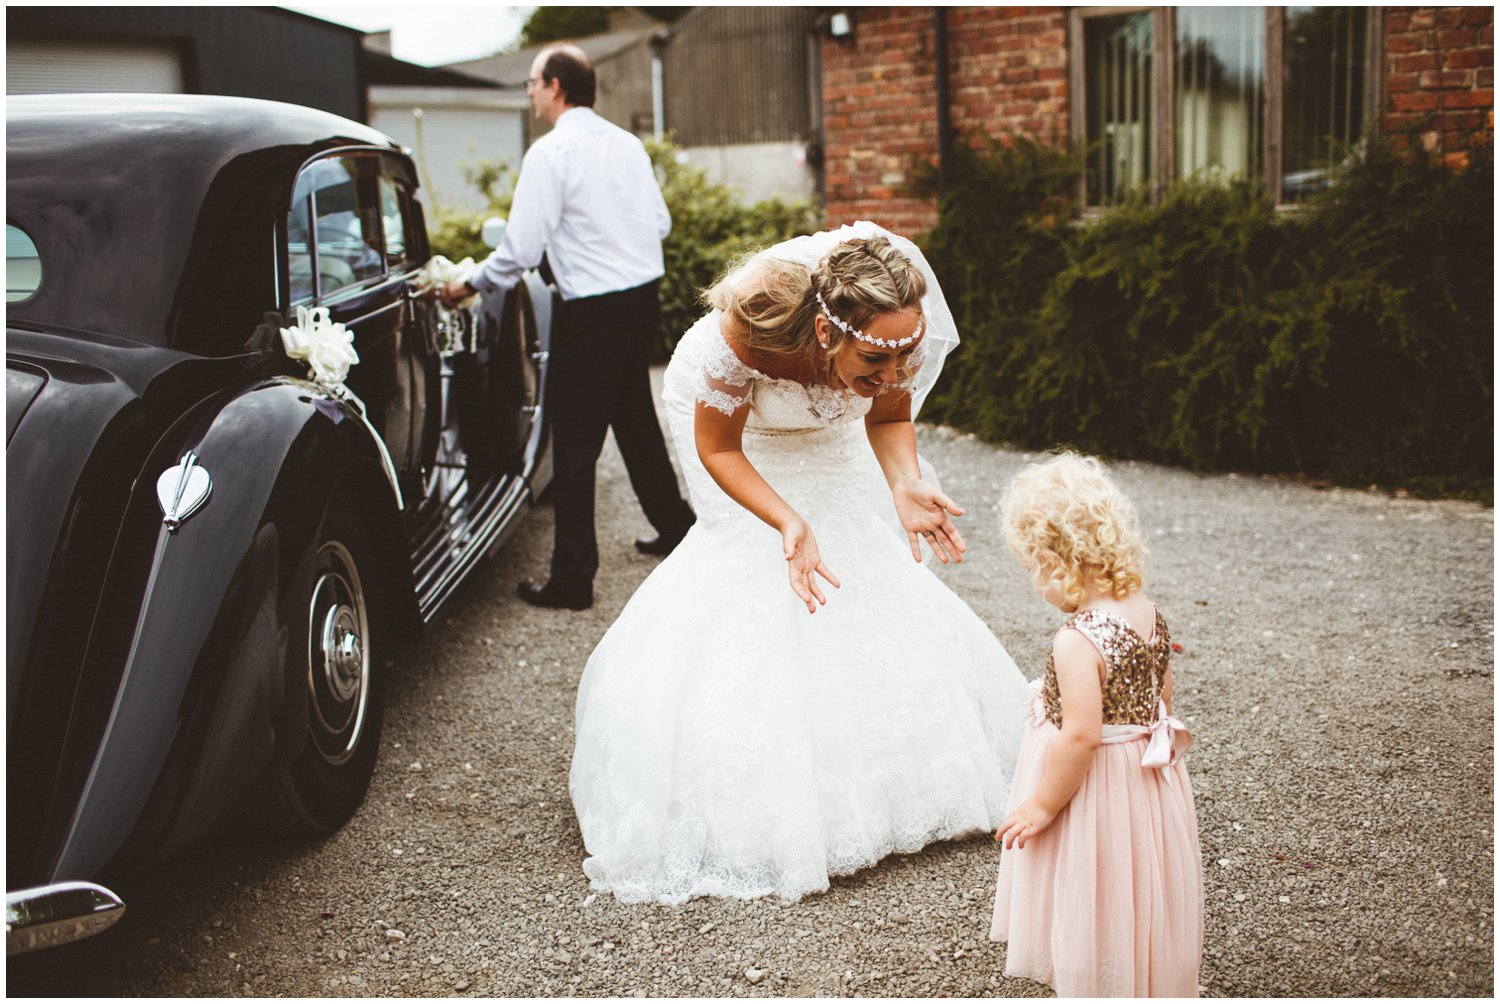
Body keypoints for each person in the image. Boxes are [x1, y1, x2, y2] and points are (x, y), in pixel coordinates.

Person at [568, 222, 1033, 903]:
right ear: (825, 335)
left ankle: (880, 772)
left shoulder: (892, 337)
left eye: (902, 363)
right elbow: (719, 448)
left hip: (826, 433)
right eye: (874, 366)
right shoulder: (747, 326)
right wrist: (785, 518)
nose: (894, 377)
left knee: (854, 546)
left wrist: (903, 485)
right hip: (733, 429)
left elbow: (885, 418)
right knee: (749, 560)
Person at [441, 44, 694, 611]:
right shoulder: (626, 144)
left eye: (532, 83)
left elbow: (521, 249)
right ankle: (677, 528)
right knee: (633, 417)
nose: (529, 92)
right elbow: (661, 221)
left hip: (595, 311)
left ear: (554, 85)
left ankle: (574, 579)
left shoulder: (549, 153)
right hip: (641, 300)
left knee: (575, 442)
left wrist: (469, 285)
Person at [989, 451, 1203, 997]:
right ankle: (1136, 964)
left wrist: (1042, 803)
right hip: (1144, 775)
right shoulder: (1149, 611)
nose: (1038, 584)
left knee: (1091, 873)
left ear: (1059, 561)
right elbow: (1162, 694)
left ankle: (1091, 973)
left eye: (1034, 568)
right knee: (1132, 872)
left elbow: (1081, 734)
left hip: (1093, 783)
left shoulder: (1076, 639)